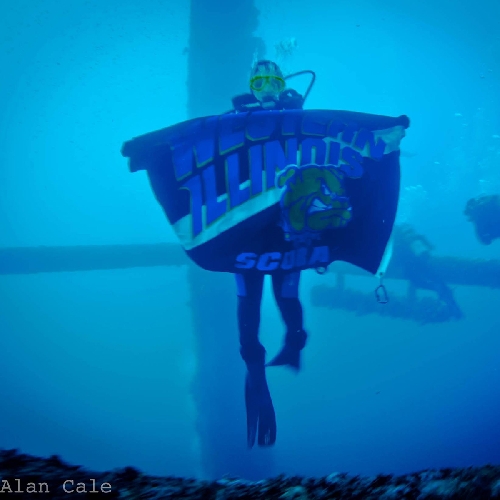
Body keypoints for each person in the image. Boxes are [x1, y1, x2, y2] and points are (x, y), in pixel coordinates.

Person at [231, 60, 314, 448]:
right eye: (260, 82)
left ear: (283, 86)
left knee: (287, 298)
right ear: (251, 86)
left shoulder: (301, 118)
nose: (267, 88)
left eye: (274, 81)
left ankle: (295, 344)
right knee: (248, 301)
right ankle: (254, 367)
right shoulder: (231, 122)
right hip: (247, 232)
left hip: (286, 231)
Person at [392, 224, 463, 319]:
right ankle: (454, 308)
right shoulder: (415, 237)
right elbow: (431, 248)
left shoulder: (397, 242)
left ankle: (434, 288)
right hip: (422, 262)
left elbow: (396, 261)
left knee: (418, 283)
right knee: (437, 280)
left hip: (409, 267)